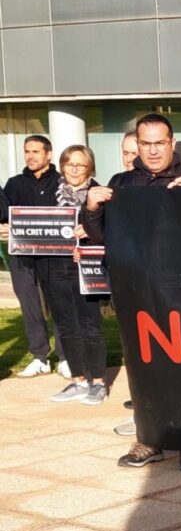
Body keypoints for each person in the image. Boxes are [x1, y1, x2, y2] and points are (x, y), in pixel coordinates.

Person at [82, 113, 181, 472]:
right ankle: (149, 439)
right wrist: (92, 209)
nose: (153, 150)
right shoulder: (123, 183)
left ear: (173, 143)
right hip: (139, 290)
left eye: (160, 143)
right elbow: (103, 236)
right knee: (144, 366)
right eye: (146, 143)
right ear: (136, 145)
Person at [46, 145, 108, 406]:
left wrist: (91, 230)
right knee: (65, 326)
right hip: (56, 267)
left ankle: (99, 383)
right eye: (69, 164)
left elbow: (110, 230)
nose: (74, 169)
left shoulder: (101, 194)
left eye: (80, 165)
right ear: (62, 166)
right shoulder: (50, 192)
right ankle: (80, 379)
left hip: (87, 267)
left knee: (90, 325)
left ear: (90, 168)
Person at [3, 135, 67, 379]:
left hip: (55, 258)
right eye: (27, 151)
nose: (30, 156)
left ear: (48, 155)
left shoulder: (62, 182)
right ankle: (40, 357)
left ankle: (65, 357)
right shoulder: (14, 183)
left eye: (36, 151)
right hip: (23, 259)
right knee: (30, 308)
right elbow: (4, 214)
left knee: (61, 306)